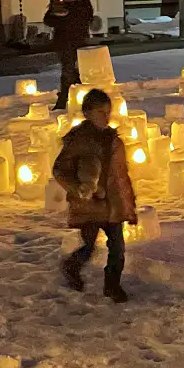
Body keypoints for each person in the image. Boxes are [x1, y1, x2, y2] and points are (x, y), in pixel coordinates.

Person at [52, 89, 138, 302]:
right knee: (89, 245)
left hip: (112, 206)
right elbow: (60, 169)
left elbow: (120, 176)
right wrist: (78, 188)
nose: (106, 117)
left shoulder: (114, 140)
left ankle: (112, 286)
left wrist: (129, 204)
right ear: (87, 113)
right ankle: (72, 267)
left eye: (108, 112)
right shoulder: (79, 140)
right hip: (90, 205)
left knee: (117, 249)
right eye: (100, 112)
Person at [43, 0, 95, 110]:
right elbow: (48, 20)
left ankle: (69, 99)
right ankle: (71, 98)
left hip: (79, 40)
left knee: (75, 71)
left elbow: (86, 18)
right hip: (63, 41)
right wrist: (56, 14)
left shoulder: (82, 1)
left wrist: (66, 17)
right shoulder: (57, 1)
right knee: (69, 70)